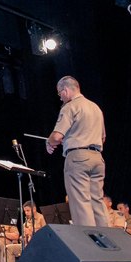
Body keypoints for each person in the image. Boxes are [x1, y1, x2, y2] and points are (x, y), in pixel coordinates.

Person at [46, 76, 108, 227]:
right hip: (97, 158)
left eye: (59, 93)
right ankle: (107, 242)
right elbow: (103, 137)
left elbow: (57, 136)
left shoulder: (70, 107)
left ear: (65, 90)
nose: (60, 97)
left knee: (81, 203)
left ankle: (89, 246)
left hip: (78, 158)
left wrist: (49, 142)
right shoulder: (95, 107)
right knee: (97, 202)